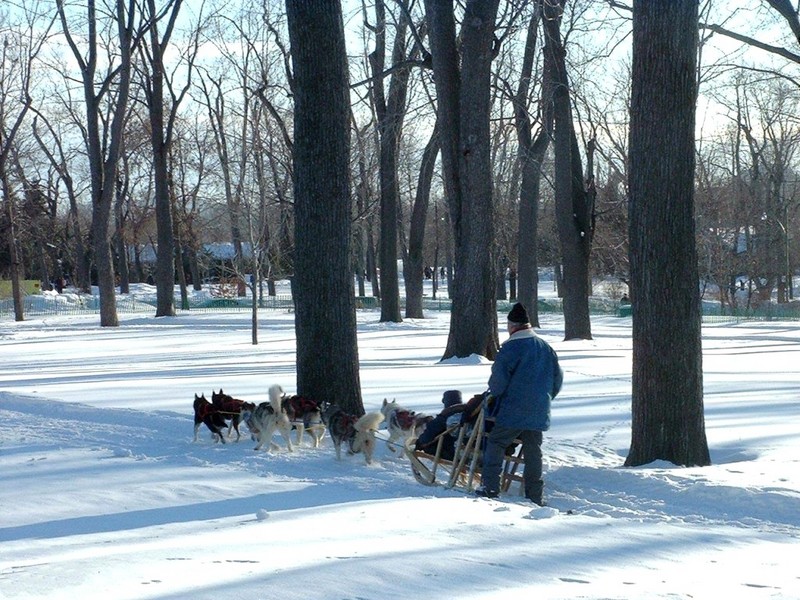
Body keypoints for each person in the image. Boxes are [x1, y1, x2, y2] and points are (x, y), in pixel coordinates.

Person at [475, 302, 563, 505]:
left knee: (496, 442)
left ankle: (490, 487)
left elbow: (498, 382)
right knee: (533, 451)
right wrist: (545, 398)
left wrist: (494, 396)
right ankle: (534, 494)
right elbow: (557, 379)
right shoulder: (545, 347)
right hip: (539, 409)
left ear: (512, 326)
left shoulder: (511, 348)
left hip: (514, 408)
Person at [414, 390, 465, 461]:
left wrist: (419, 443)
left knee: (430, 446)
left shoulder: (445, 416)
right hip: (469, 449)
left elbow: (428, 435)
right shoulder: (467, 414)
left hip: (453, 453)